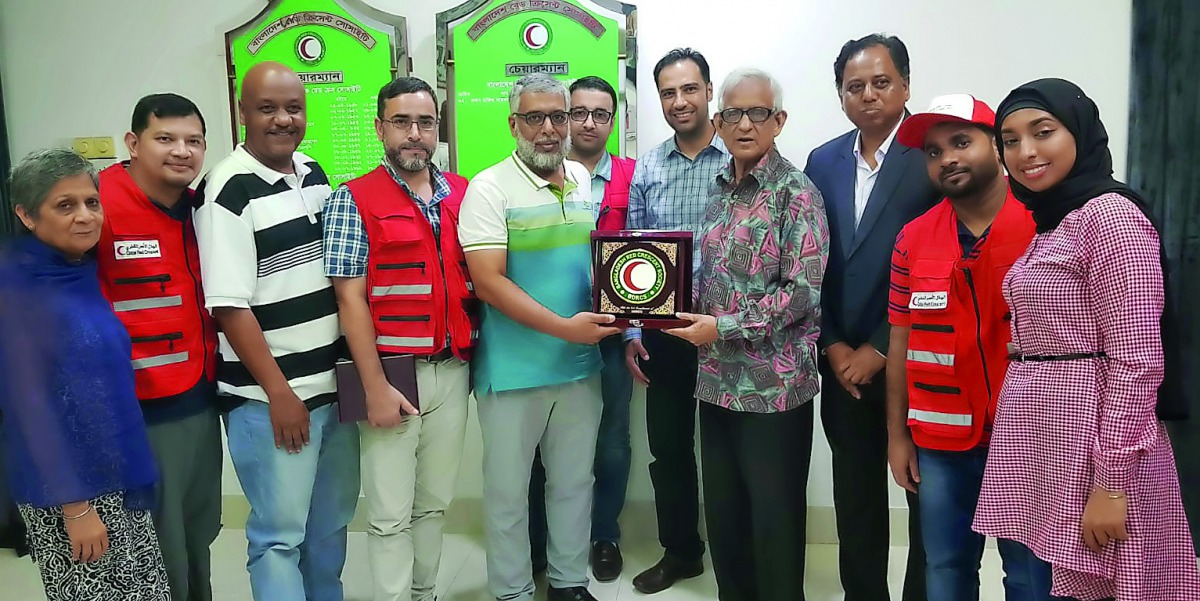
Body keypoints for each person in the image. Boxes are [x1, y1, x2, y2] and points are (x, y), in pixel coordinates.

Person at [973, 78, 1200, 601]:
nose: (1025, 152)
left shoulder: (1110, 217)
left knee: (1106, 584)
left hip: (1096, 446)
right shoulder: (1056, 220)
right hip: (1050, 440)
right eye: (1010, 140)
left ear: (1079, 132)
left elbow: (1137, 360)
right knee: (1053, 585)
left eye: (1043, 131)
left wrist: (1111, 483)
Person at [193, 61, 360, 601]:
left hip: (331, 391)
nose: (283, 119)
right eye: (268, 108)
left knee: (329, 528)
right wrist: (280, 393)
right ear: (243, 113)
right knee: (278, 538)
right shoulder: (227, 190)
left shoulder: (313, 172)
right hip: (273, 403)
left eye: (293, 108)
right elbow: (229, 308)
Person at [666, 67, 828, 601]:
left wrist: (723, 327)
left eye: (757, 113)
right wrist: (671, 308)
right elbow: (712, 281)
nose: (743, 124)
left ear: (778, 120)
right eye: (732, 113)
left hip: (774, 390)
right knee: (727, 516)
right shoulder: (719, 194)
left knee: (774, 520)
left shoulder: (796, 194)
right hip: (715, 382)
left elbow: (800, 293)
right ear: (717, 121)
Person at [458, 72, 618, 601]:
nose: (549, 129)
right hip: (514, 372)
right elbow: (488, 281)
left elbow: (590, 265)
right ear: (514, 124)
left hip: (579, 367)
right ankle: (512, 592)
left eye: (559, 116)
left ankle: (569, 584)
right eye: (535, 117)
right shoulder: (488, 188)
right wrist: (564, 329)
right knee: (507, 495)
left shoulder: (580, 177)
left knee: (574, 485)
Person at [885, 94, 1051, 600]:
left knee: (1029, 575)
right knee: (947, 567)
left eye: (961, 142)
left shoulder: (1045, 226)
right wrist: (898, 436)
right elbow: (901, 342)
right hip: (941, 442)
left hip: (1029, 438)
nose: (947, 158)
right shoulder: (912, 239)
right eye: (933, 152)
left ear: (997, 147)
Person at [322, 76, 474, 601]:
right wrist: (373, 386)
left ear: (437, 129)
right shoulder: (353, 198)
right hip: (391, 373)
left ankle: (424, 593)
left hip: (453, 371)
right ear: (380, 127)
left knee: (434, 504)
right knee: (388, 514)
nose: (415, 134)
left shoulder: (462, 193)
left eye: (425, 122)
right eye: (402, 122)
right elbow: (350, 300)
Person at [0, 147, 169, 600]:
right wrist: (75, 508)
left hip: (114, 474)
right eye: (65, 205)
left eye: (91, 202)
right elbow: (28, 410)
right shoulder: (16, 288)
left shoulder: (77, 272)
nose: (85, 216)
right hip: (70, 490)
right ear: (27, 215)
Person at [803, 33, 937, 601]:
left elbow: (941, 268)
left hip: (918, 359)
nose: (869, 95)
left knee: (926, 499)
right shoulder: (822, 160)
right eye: (854, 86)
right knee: (855, 497)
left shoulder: (936, 157)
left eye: (881, 82)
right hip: (843, 367)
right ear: (840, 96)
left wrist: (881, 347)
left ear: (905, 85)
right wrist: (833, 344)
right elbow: (815, 263)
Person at [94, 93, 222, 601]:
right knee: (158, 543)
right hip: (136, 408)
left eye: (193, 141)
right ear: (132, 142)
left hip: (198, 396)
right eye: (164, 139)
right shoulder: (96, 203)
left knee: (199, 531)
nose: (181, 152)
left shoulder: (200, 208)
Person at [623, 47, 728, 595]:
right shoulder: (650, 166)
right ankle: (681, 552)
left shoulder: (739, 158)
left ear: (709, 91)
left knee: (727, 453)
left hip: (729, 334)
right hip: (665, 333)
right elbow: (633, 254)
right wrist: (633, 332)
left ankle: (737, 555)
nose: (680, 101)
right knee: (668, 450)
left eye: (690, 89)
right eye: (668, 92)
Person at [529, 74, 636, 583]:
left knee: (612, 439)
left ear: (614, 122)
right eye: (579, 112)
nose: (589, 122)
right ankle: (543, 541)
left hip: (613, 335)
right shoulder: (538, 175)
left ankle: (603, 535)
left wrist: (634, 332)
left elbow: (648, 255)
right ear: (564, 118)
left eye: (601, 113)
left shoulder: (634, 176)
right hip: (549, 332)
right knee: (544, 443)